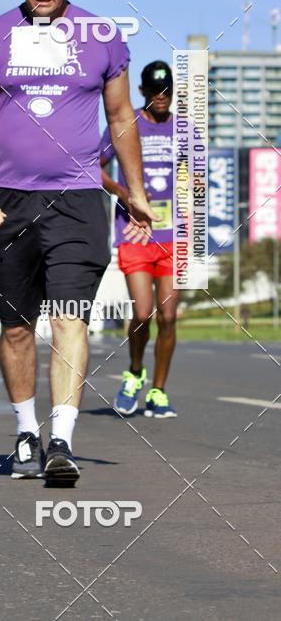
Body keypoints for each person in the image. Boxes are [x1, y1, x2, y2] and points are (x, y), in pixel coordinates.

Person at [0, 0, 154, 483]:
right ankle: (26, 431)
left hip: (78, 198)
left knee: (71, 318)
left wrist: (134, 190)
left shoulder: (103, 36)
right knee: (18, 326)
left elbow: (120, 119)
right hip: (10, 200)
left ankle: (61, 440)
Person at [100, 60, 178, 418]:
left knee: (169, 317)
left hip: (173, 235)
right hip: (135, 233)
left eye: (167, 91)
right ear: (143, 91)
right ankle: (134, 372)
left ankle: (158, 391)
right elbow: (94, 165)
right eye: (155, 91)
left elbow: (195, 177)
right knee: (143, 313)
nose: (161, 97)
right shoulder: (127, 123)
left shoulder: (185, 130)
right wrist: (122, 193)